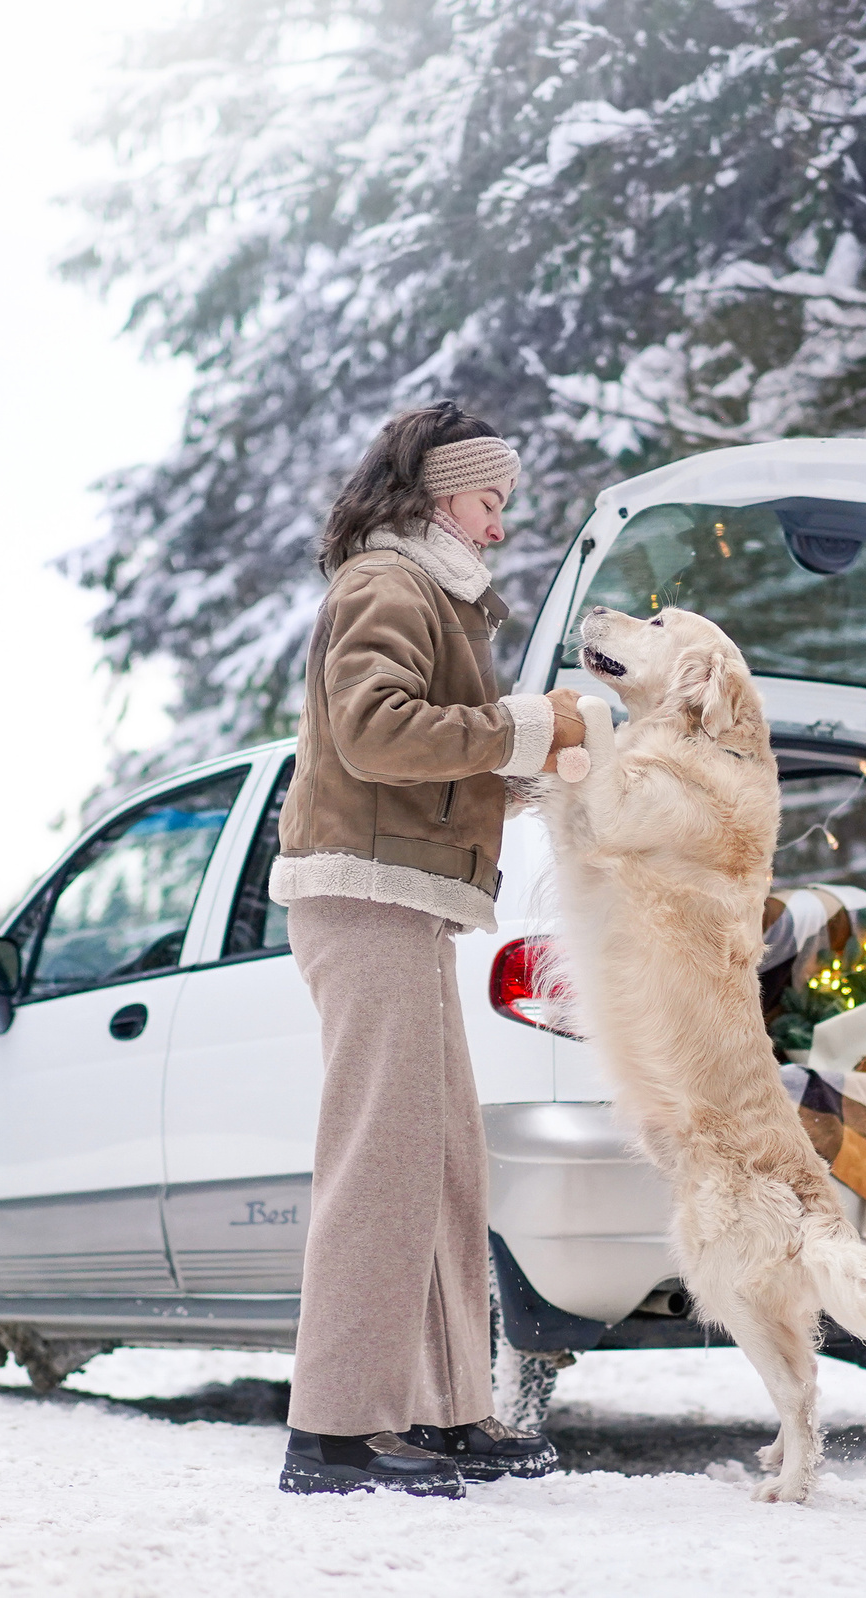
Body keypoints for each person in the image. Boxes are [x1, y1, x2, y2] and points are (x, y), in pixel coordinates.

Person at [269, 401, 586, 1497]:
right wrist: (522, 728)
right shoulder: (385, 583)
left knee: (447, 1161)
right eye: (490, 501)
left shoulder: (432, 593)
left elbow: (432, 746)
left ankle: (448, 1413)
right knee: (382, 1159)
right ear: (441, 490)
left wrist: (530, 764)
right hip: (360, 897)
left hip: (406, 900)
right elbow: (374, 730)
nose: (499, 525)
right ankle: (337, 1432)